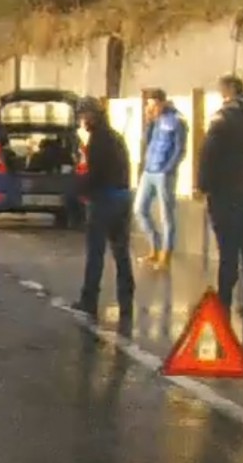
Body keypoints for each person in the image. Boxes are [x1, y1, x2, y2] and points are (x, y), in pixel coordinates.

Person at [197, 75, 243, 316]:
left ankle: (224, 301)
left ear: (227, 93)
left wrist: (202, 185)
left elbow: (208, 154)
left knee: (228, 250)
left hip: (224, 192)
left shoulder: (223, 119)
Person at [72, 96, 135, 322]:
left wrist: (79, 190)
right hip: (123, 198)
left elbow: (95, 174)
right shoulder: (116, 137)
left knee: (96, 253)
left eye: (83, 116)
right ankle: (126, 299)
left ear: (91, 115)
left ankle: (89, 301)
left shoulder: (98, 141)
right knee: (121, 252)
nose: (82, 121)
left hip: (104, 200)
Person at [135, 89, 188, 270]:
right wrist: (149, 122)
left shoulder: (177, 121)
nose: (152, 108)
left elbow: (180, 149)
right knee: (139, 209)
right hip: (149, 170)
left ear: (163, 102)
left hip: (164, 173)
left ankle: (165, 254)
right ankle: (154, 247)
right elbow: (146, 142)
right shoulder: (155, 120)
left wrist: (168, 169)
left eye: (154, 105)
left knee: (166, 215)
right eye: (149, 105)